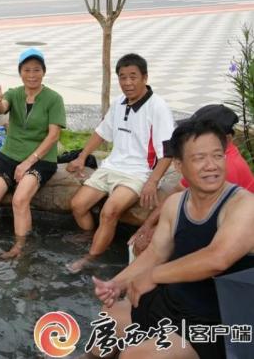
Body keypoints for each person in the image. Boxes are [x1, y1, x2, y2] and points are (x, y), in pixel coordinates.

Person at [85, 119, 254, 359]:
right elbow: (156, 253)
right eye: (199, 158)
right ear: (179, 165)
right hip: (174, 303)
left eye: (217, 156)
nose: (211, 165)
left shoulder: (244, 205)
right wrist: (117, 283)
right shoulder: (176, 204)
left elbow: (217, 258)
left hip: (217, 321)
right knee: (109, 320)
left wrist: (152, 276)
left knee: (134, 356)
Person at [66, 54, 174, 273]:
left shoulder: (158, 107)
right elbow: (101, 132)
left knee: (109, 212)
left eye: (133, 77)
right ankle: (92, 237)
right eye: (123, 77)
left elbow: (168, 151)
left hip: (139, 173)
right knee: (77, 205)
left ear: (145, 77)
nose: (127, 83)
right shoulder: (118, 103)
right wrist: (82, 156)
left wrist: (153, 181)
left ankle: (90, 258)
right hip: (111, 166)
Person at [0, 48, 66, 259]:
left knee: (19, 200)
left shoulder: (54, 99)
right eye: (27, 70)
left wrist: (28, 162)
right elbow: (3, 107)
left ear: (44, 72)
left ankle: (20, 246)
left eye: (36, 70)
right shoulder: (14, 93)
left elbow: (53, 136)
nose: (32, 75)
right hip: (11, 155)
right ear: (20, 72)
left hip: (41, 158)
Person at [129, 104, 254, 257]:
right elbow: (178, 191)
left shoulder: (223, 169)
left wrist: (153, 236)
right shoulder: (204, 162)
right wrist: (146, 227)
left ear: (226, 139)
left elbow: (215, 255)